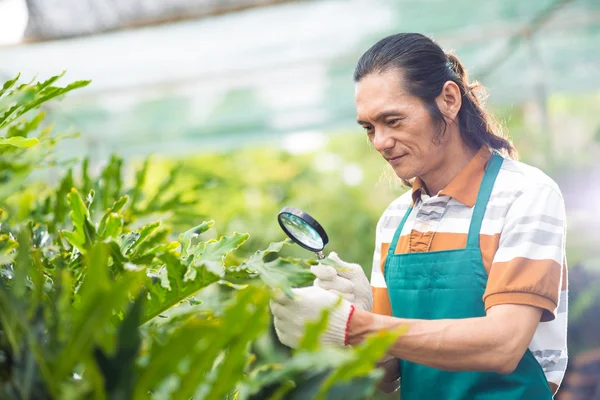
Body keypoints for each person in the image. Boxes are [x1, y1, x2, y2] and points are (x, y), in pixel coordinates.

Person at [269, 33, 568, 399]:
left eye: (392, 120)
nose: (379, 141)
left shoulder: (524, 195)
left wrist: (356, 326)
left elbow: (503, 346)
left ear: (448, 100)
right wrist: (355, 313)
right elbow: (386, 378)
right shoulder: (395, 221)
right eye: (369, 128)